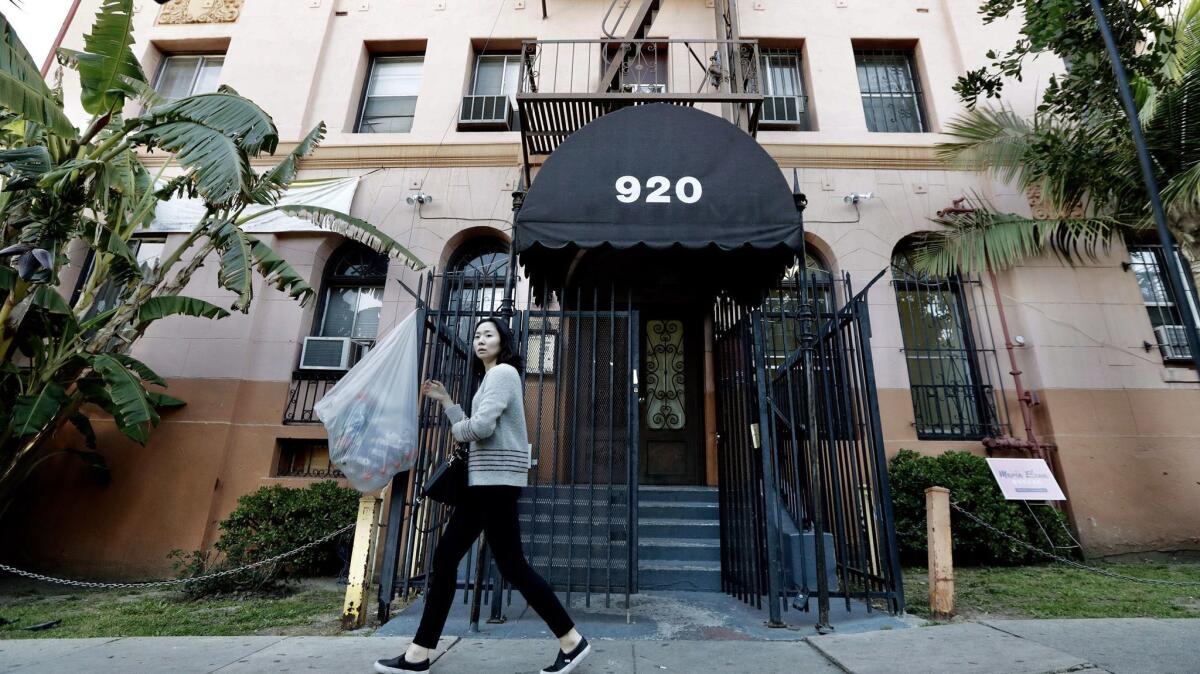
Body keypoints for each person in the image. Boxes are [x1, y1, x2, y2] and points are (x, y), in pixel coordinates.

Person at [375, 317, 591, 674]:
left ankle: (420, 652)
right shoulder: (492, 378)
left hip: (492, 484)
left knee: (473, 563)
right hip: (489, 483)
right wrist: (447, 401)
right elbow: (478, 426)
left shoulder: (502, 373)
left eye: (488, 334)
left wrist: (458, 428)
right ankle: (420, 652)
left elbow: (480, 428)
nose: (479, 340)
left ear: (503, 341)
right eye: (475, 335)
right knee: (498, 565)